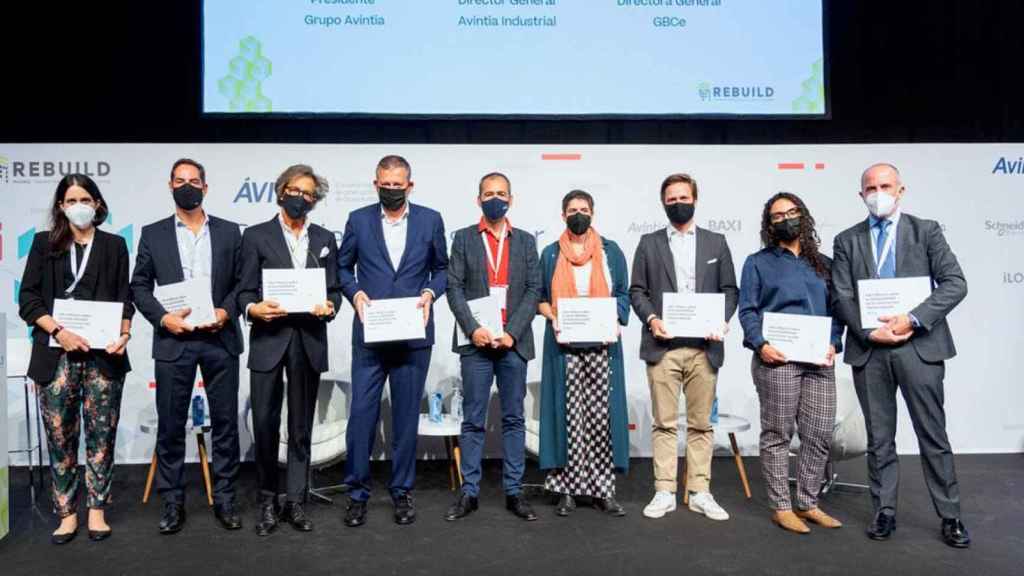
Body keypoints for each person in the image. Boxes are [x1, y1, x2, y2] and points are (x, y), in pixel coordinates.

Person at [832, 163, 970, 548]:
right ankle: (884, 511)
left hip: (918, 346)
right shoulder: (847, 240)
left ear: (901, 190)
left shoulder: (926, 231)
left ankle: (951, 515)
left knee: (933, 435)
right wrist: (865, 330)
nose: (879, 192)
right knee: (879, 438)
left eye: (885, 185)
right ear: (861, 195)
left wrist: (912, 319)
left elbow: (955, 283)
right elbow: (841, 295)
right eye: (871, 187)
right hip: (870, 350)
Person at [130, 158, 245, 534]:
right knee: (171, 425)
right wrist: (164, 318)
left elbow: (244, 284)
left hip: (219, 338)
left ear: (206, 188)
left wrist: (227, 313)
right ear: (170, 186)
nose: (187, 186)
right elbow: (139, 287)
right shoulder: (153, 233)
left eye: (194, 181)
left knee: (226, 424)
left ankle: (226, 498)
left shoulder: (230, 232)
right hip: (174, 340)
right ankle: (172, 502)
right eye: (180, 181)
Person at [18, 174, 133, 544]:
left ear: (97, 204)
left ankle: (97, 511)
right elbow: (29, 300)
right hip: (56, 356)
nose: (78, 206)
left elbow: (124, 299)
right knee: (60, 438)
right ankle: (67, 513)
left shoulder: (114, 246)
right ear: (61, 207)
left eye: (85, 198)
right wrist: (59, 332)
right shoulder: (43, 244)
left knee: (102, 437)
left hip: (104, 358)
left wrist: (125, 334)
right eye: (70, 200)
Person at [338, 155, 448, 527]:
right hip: (371, 336)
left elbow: (443, 269)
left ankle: (402, 492)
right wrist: (355, 295)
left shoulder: (431, 220)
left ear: (410, 186)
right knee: (362, 417)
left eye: (397, 185)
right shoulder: (358, 220)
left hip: (413, 337)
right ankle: (357, 494)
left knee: (404, 420)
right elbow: (342, 267)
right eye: (385, 185)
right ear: (376, 184)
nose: (391, 190)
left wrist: (431, 293)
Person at [237, 164, 342, 536]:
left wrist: (330, 306)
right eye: (295, 191)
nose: (301, 198)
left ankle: (296, 500)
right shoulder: (255, 236)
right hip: (269, 338)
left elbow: (334, 290)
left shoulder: (326, 238)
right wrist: (253, 308)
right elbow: (244, 292)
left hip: (308, 339)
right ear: (281, 191)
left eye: (308, 194)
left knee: (300, 427)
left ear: (315, 201)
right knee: (264, 424)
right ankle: (268, 500)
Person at [629, 173, 738, 522]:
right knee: (663, 423)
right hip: (663, 346)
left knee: (701, 425)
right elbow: (637, 291)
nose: (678, 203)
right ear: (663, 203)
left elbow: (730, 290)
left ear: (695, 199)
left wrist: (721, 320)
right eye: (671, 199)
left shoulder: (716, 242)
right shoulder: (649, 243)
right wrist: (652, 320)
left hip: (704, 348)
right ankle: (664, 491)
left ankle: (700, 491)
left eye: (683, 197)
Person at [738, 192, 845, 533]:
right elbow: (748, 310)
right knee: (777, 434)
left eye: (791, 212)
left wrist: (833, 343)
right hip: (777, 360)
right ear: (769, 225)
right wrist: (760, 344)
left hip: (818, 362)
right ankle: (781, 506)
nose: (786, 219)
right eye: (778, 216)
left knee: (818, 434)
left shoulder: (825, 264)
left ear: (804, 216)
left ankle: (809, 502)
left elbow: (838, 313)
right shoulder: (758, 262)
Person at [444, 172, 541, 522]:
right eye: (488, 193)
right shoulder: (463, 239)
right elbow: (453, 287)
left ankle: (514, 492)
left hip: (513, 345)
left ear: (511, 200)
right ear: (478, 199)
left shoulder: (527, 242)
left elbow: (534, 290)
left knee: (514, 419)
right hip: (477, 345)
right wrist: (473, 329)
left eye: (501, 193)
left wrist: (513, 332)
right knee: (472, 419)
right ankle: (469, 492)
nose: (495, 198)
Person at [537, 190, 630, 518]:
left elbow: (623, 294)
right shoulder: (550, 254)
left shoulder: (611, 252)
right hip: (564, 347)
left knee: (600, 417)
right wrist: (554, 315)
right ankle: (566, 490)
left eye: (584, 209)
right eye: (573, 210)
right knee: (568, 416)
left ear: (593, 213)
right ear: (563, 215)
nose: (579, 214)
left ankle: (603, 491)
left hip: (603, 346)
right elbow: (539, 295)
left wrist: (615, 317)